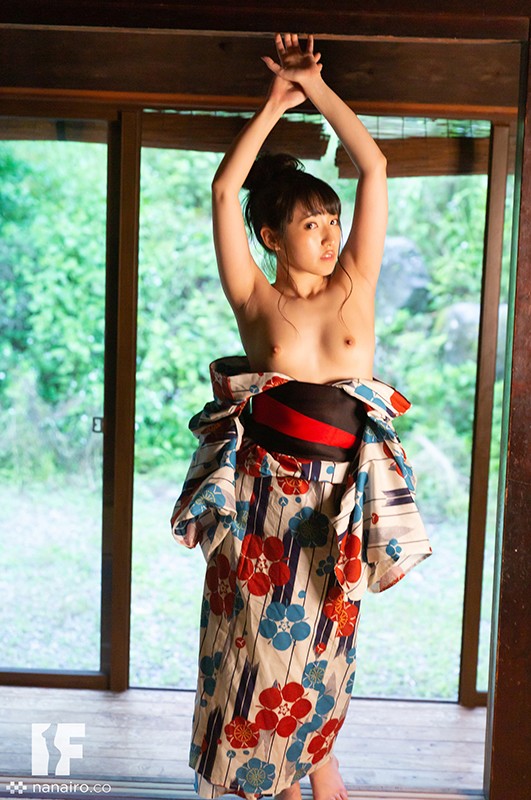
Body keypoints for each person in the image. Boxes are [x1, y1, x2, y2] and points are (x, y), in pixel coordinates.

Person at [171, 33, 432, 800]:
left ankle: (314, 766)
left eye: (331, 220)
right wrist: (271, 105)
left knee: (321, 648)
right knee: (252, 646)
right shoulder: (256, 301)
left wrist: (313, 87)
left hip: (337, 502)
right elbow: (225, 190)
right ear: (270, 237)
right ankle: (281, 780)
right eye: (311, 223)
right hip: (261, 498)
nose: (328, 234)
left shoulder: (355, 284)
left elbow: (373, 166)